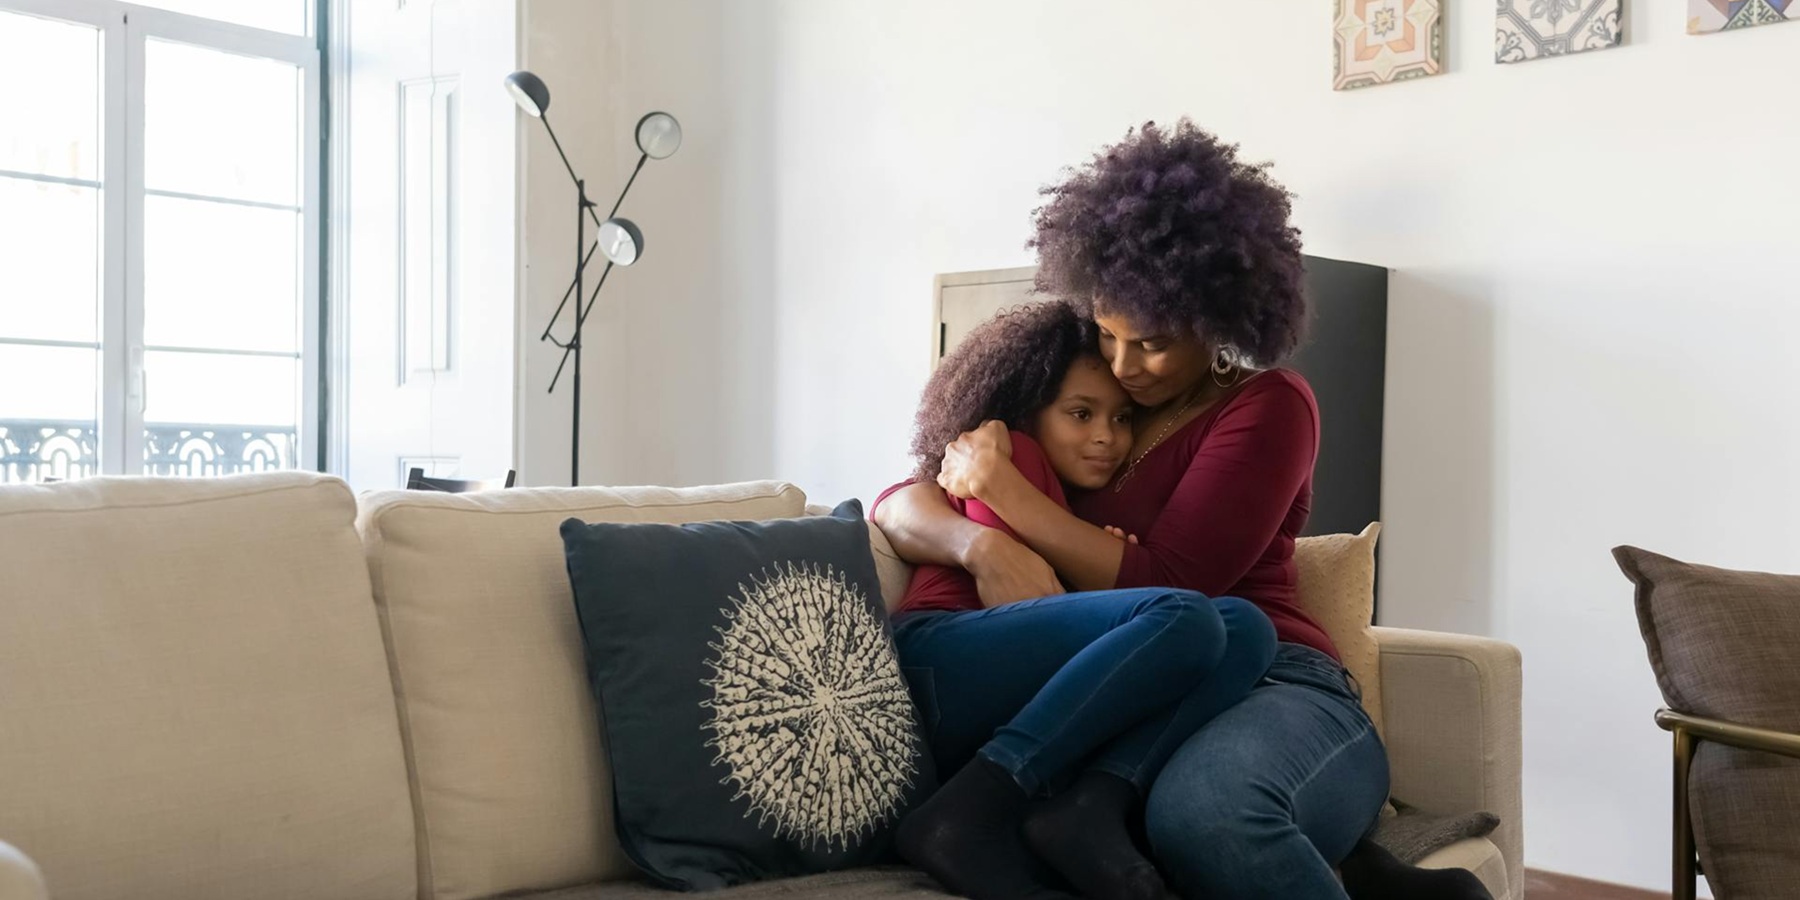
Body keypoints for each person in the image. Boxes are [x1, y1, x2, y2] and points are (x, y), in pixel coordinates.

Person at [876, 119, 1491, 900]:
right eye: (1106, 335)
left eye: (1155, 344)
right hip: (1138, 687)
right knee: (1140, 804)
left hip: (1273, 679)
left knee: (1211, 811)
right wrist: (975, 537)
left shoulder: (1270, 405)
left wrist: (1007, 497)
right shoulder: (1071, 406)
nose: (1124, 368)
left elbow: (1177, 580)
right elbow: (903, 500)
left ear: (1218, 319)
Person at [881, 298, 1277, 900]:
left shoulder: (1062, 495)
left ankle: (1089, 808)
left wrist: (1092, 572)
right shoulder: (1004, 450)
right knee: (1184, 613)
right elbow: (993, 583)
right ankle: (962, 817)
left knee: (1245, 626)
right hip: (940, 656)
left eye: (1121, 420)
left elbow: (1051, 604)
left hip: (998, 675)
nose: (1105, 438)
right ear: (1028, 409)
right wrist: (982, 544)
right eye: (1080, 413)